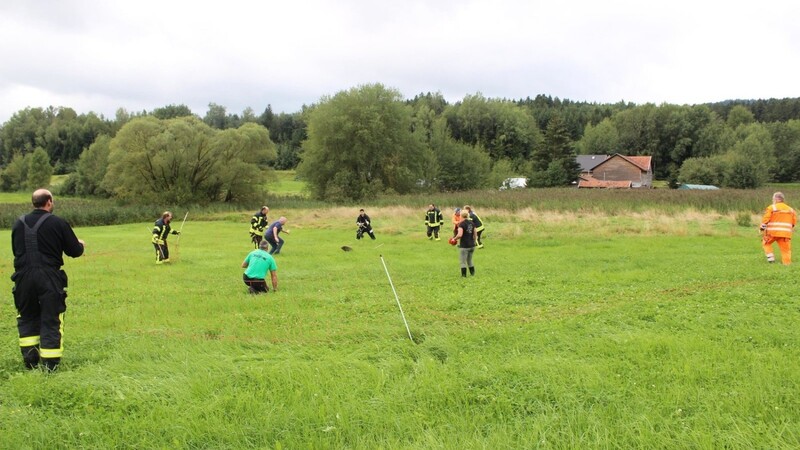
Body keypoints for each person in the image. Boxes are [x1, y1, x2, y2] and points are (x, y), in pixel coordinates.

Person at [11, 189, 85, 371]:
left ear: (33, 202)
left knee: (27, 317)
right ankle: (50, 365)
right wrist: (81, 244)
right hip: (48, 277)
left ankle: (30, 361)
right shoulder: (57, 222)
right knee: (51, 318)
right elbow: (74, 251)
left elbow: (16, 250)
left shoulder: (18, 224)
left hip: (22, 277)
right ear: (49, 202)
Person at [760, 191, 797, 265]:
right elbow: (793, 222)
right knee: (786, 250)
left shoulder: (772, 208)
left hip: (772, 233)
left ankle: (771, 259)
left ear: (775, 199)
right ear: (783, 199)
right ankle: (786, 264)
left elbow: (766, 219)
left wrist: (762, 228)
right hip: (785, 234)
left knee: (766, 243)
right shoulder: (791, 210)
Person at [454, 210, 478, 277]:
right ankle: (472, 274)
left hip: (464, 246)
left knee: (463, 261)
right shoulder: (472, 223)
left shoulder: (461, 224)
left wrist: (454, 239)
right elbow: (475, 234)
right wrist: (474, 241)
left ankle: (464, 276)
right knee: (470, 260)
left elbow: (459, 235)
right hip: (472, 245)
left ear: (461, 216)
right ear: (467, 215)